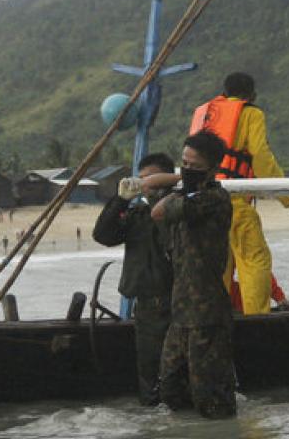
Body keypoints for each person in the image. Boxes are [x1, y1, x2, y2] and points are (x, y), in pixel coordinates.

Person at [189, 72, 289, 315]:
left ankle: (216, 317)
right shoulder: (251, 113)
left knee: (218, 266)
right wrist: (286, 195)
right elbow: (261, 155)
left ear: (223, 91)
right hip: (236, 204)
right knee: (255, 262)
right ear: (251, 95)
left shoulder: (204, 114)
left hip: (202, 204)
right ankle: (257, 320)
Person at [150, 132, 236, 418]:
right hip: (181, 311)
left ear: (211, 169)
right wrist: (183, 181)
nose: (186, 169)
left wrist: (180, 185)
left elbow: (160, 212)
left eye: (194, 166)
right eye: (183, 163)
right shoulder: (188, 192)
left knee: (210, 396)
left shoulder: (213, 198)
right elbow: (153, 194)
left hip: (207, 314)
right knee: (171, 386)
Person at [92, 153, 175, 406]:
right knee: (150, 375)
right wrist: (120, 200)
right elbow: (103, 235)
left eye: (150, 178)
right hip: (148, 306)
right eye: (141, 179)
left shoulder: (179, 209)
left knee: (175, 372)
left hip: (177, 303)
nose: (144, 184)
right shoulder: (137, 214)